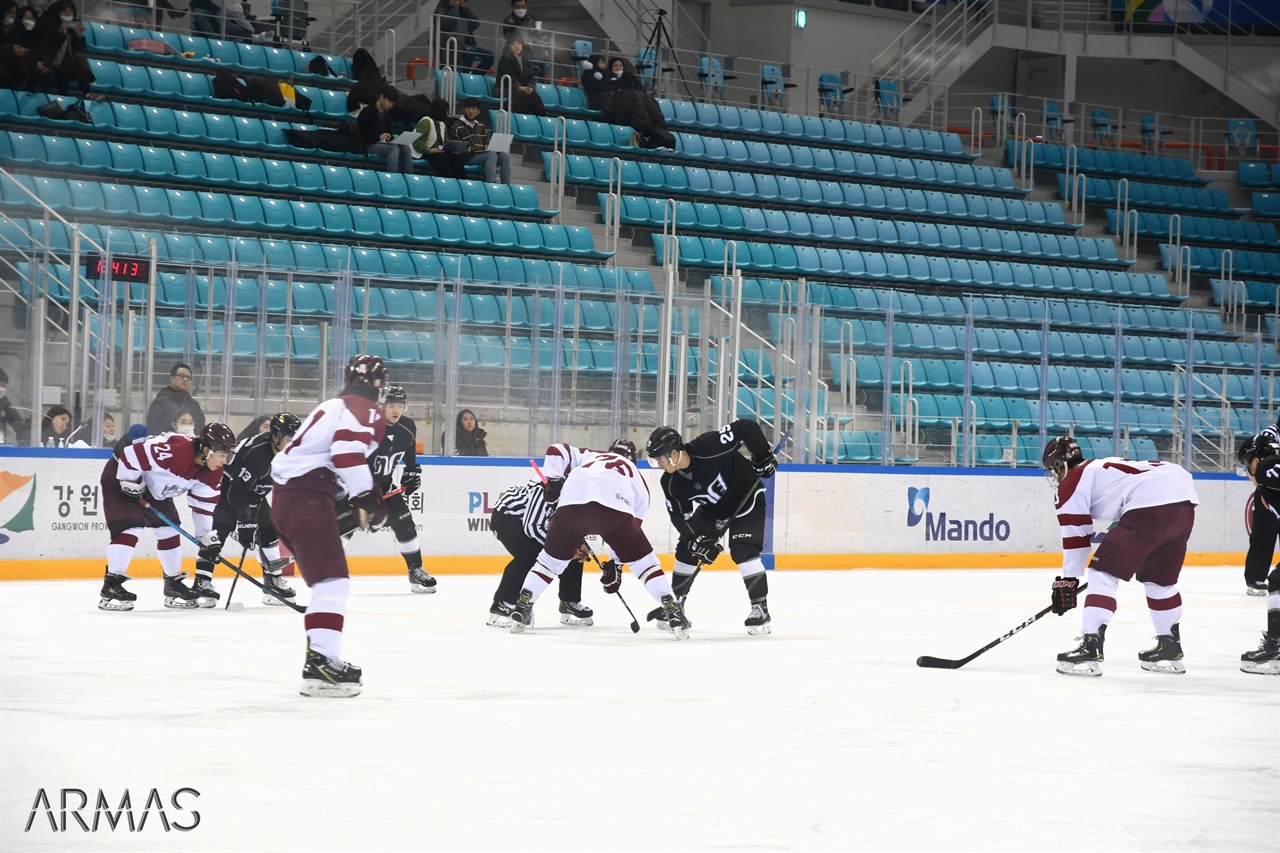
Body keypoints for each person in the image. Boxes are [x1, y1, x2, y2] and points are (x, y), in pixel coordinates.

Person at [270, 354, 389, 698]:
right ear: (378, 385)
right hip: (306, 496)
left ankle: (319, 657)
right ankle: (321, 663)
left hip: (291, 498)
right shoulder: (364, 407)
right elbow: (346, 453)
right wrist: (366, 496)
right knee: (333, 581)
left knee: (328, 581)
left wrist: (355, 495)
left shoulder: (334, 404)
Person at [1042, 436, 1199, 677]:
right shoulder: (1101, 468)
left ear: (1060, 465)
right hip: (1184, 504)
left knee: (1102, 572)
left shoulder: (1072, 481)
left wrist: (1069, 580)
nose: (1054, 478)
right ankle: (1169, 646)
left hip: (1149, 503)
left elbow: (1075, 537)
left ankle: (1090, 645)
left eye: (1053, 471)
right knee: (1160, 580)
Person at [505, 438, 689, 637]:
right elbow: (630, 532)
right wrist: (615, 565)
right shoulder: (636, 477)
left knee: (548, 563)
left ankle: (524, 604)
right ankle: (672, 609)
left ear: (608, 451)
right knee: (645, 565)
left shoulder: (591, 456)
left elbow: (556, 449)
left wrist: (554, 479)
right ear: (633, 460)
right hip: (614, 510)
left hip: (570, 506)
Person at [645, 421, 779, 635]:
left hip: (747, 499)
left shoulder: (709, 446)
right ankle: (677, 605)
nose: (659, 464)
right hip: (713, 509)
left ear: (674, 453)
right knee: (688, 548)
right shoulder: (670, 483)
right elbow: (681, 518)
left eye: (660, 459)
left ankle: (760, 609)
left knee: (743, 551)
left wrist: (762, 457)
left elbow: (746, 428)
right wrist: (698, 541)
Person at [97, 422, 236, 611]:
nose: (224, 461)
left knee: (169, 528)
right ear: (206, 450)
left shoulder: (212, 472)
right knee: (131, 527)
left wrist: (206, 539)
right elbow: (131, 454)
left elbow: (203, 509)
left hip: (154, 487)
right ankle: (111, 585)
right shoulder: (176, 451)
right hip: (122, 476)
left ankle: (172, 584)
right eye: (221, 455)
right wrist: (131, 482)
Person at [193, 412, 301, 607]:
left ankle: (273, 583)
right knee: (220, 530)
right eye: (290, 439)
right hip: (229, 488)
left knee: (269, 529)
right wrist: (246, 523)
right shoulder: (258, 454)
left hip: (254, 493)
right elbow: (237, 494)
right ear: (275, 437)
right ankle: (202, 581)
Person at [487, 476, 592, 628]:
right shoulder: (545, 491)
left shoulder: (577, 493)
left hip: (531, 522)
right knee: (529, 555)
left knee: (571, 548)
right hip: (508, 518)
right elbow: (533, 527)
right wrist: (563, 547)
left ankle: (569, 600)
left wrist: (577, 544)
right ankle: (503, 603)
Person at [368, 385, 437, 594]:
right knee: (343, 529)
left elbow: (410, 459)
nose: (396, 409)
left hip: (386, 489)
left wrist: (412, 473)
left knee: (405, 523)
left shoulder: (407, 426)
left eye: (400, 405)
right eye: (391, 405)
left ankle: (415, 569)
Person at [1238, 434, 1280, 675]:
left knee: (1277, 581)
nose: (1248, 472)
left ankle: (1276, 646)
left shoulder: (1267, 467)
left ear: (1256, 460)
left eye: (1247, 465)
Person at [580, 54, 675, 150]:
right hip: (605, 102)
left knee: (648, 99)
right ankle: (644, 129)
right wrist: (615, 87)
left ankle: (659, 131)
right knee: (634, 97)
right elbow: (598, 87)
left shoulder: (605, 75)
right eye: (602, 62)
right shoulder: (589, 75)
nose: (604, 64)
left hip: (612, 98)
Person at [1241, 424, 1280, 595]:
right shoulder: (1270, 434)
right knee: (1264, 533)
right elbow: (1260, 457)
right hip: (1269, 487)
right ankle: (1255, 578)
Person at [36, 0, 93, 97]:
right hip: (51, 61)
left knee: (76, 67)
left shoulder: (72, 28)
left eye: (70, 11)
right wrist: (61, 33)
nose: (67, 14)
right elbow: (49, 46)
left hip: (67, 62)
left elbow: (80, 49)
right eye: (64, 11)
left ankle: (87, 94)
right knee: (65, 73)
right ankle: (64, 97)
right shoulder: (49, 25)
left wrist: (79, 36)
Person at [449, 97, 511, 185]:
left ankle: (506, 185)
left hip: (481, 154)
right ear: (464, 110)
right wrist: (479, 148)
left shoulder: (480, 125)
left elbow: (486, 143)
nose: (470, 111)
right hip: (466, 157)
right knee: (491, 155)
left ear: (478, 112)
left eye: (473, 109)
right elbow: (456, 150)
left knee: (504, 156)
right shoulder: (456, 126)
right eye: (468, 108)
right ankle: (491, 184)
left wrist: (492, 146)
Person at [357, 85, 413, 174]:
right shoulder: (367, 111)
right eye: (389, 102)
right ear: (381, 97)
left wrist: (393, 139)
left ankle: (408, 177)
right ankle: (392, 176)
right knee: (393, 149)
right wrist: (378, 137)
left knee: (405, 148)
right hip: (368, 144)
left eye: (392, 103)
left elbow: (388, 132)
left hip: (381, 143)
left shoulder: (386, 115)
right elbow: (361, 135)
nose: (390, 105)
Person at [411, 97, 467, 179]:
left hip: (438, 150)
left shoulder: (442, 123)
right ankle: (446, 181)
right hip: (425, 151)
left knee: (456, 158)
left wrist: (451, 148)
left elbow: (444, 142)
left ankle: (460, 182)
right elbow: (417, 142)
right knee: (442, 158)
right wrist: (429, 150)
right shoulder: (426, 121)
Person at [146, 363, 206, 436]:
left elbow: (201, 428)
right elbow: (153, 430)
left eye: (188, 377)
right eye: (181, 375)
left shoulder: (194, 404)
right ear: (171, 379)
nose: (185, 379)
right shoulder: (160, 403)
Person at [494, 33, 545, 116]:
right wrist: (520, 87)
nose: (516, 46)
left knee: (535, 97)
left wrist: (530, 87)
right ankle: (522, 120)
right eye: (513, 44)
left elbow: (531, 77)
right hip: (506, 89)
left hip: (521, 89)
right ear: (508, 46)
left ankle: (542, 121)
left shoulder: (526, 60)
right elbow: (508, 76)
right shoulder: (505, 58)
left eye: (519, 43)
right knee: (522, 96)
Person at [434, 0, 492, 72]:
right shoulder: (442, 9)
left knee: (489, 55)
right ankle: (464, 74)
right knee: (470, 51)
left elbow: (475, 24)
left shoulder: (461, 12)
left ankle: (473, 76)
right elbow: (445, 24)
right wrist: (454, 9)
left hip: (466, 42)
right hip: (450, 42)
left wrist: (466, 9)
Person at [500, 0, 545, 77]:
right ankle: (533, 69)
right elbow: (510, 38)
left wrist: (544, 49)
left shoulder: (531, 19)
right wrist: (526, 43)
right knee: (521, 30)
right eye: (518, 7)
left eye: (523, 6)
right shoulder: (508, 21)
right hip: (517, 50)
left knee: (541, 44)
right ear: (513, 8)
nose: (521, 9)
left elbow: (538, 35)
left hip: (532, 50)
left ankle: (538, 75)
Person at [0, 367, 26, 443]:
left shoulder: (4, 402)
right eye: (0, 384)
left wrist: (26, 437)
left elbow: (18, 423)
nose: (1, 388)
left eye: (3, 385)